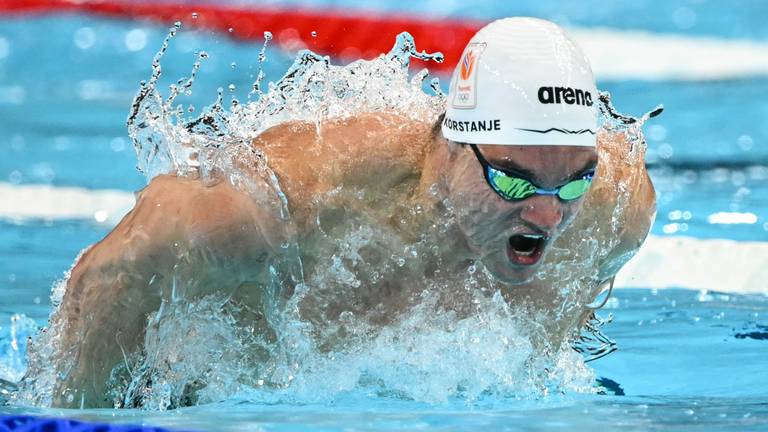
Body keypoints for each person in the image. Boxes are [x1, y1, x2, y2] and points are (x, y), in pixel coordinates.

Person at [31, 17, 656, 408]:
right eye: (515, 183)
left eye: (573, 184)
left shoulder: (616, 211)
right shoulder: (291, 202)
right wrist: (73, 414)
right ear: (452, 146)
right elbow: (124, 266)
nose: (548, 218)